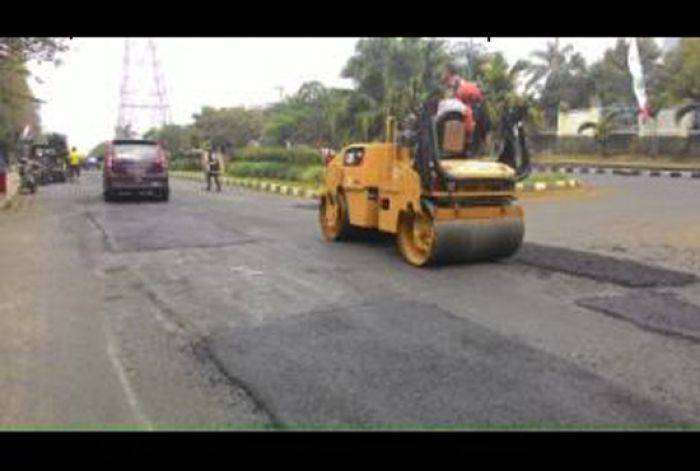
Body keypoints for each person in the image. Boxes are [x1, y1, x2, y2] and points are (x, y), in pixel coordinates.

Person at [443, 63, 489, 152]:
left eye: (444, 71)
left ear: (449, 72)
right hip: (477, 106)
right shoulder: (461, 81)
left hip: (469, 106)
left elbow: (450, 98)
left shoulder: (453, 81)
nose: (443, 74)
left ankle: (457, 148)